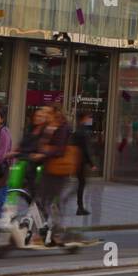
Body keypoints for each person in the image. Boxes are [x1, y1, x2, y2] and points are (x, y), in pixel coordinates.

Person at [28, 105, 74, 246]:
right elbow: (40, 145)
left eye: (47, 112)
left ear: (54, 113)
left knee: (50, 203)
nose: (44, 114)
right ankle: (41, 233)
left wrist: (44, 153)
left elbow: (59, 150)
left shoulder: (63, 128)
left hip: (59, 171)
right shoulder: (48, 127)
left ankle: (55, 232)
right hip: (48, 169)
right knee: (41, 201)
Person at [72, 111, 96, 216]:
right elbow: (86, 149)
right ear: (83, 118)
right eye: (88, 117)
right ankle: (80, 207)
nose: (89, 120)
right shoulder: (83, 132)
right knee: (81, 183)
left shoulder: (77, 130)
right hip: (81, 162)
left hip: (77, 160)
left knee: (81, 183)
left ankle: (80, 206)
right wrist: (92, 164)